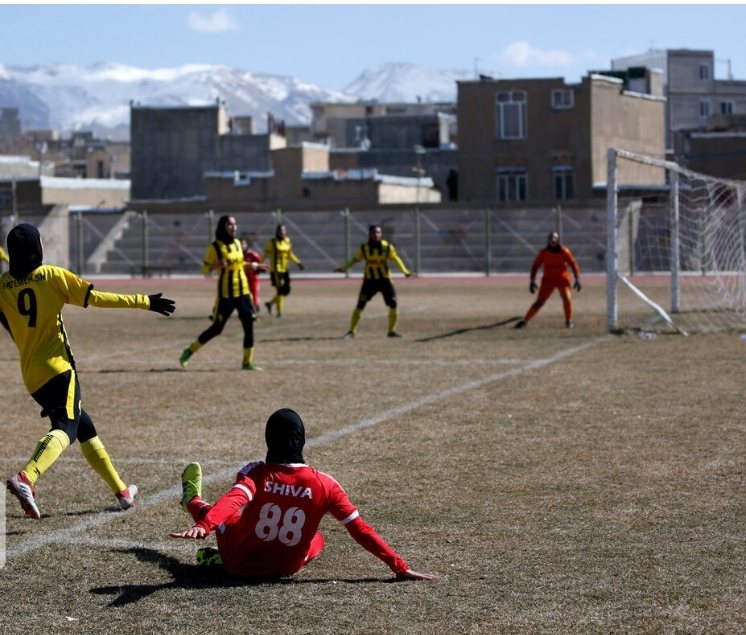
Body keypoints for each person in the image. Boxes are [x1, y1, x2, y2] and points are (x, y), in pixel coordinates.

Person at [0, 224, 176, 519]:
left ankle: (122, 491)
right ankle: (27, 477)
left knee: (85, 428)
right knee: (66, 428)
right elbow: (97, 297)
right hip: (59, 369)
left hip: (31, 375)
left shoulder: (3, 283)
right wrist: (145, 301)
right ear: (34, 246)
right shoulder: (52, 276)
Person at [170, 408, 437, 581]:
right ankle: (209, 528)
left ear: (268, 439)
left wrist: (205, 525)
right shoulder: (326, 484)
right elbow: (360, 529)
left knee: (223, 517)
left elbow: (233, 501)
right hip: (287, 566)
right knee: (316, 538)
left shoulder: (257, 473)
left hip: (238, 563)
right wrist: (399, 566)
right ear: (302, 439)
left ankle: (192, 500)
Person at [180, 216, 262, 371]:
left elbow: (239, 264)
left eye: (235, 224)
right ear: (222, 227)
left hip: (243, 292)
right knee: (217, 328)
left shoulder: (238, 243)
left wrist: (255, 265)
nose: (233, 227)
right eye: (230, 224)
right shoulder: (215, 247)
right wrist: (215, 265)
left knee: (249, 326)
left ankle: (247, 362)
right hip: (226, 295)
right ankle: (189, 351)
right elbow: (204, 269)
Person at [334, 225, 412, 338]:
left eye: (379, 232)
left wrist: (405, 271)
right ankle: (351, 331)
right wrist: (343, 269)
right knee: (360, 305)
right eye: (374, 233)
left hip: (385, 280)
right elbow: (355, 260)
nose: (376, 235)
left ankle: (391, 332)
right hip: (369, 282)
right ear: (370, 234)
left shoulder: (387, 247)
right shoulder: (364, 248)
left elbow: (396, 258)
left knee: (393, 304)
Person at [514, 231, 581, 329]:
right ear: (548, 240)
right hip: (548, 280)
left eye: (555, 238)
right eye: (551, 238)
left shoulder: (564, 251)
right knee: (539, 302)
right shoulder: (543, 253)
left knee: (567, 297)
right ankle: (525, 320)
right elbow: (535, 266)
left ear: (558, 240)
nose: (553, 240)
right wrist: (532, 280)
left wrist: (577, 278)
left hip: (562, 279)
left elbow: (573, 263)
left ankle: (569, 321)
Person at [263, 224, 303, 318]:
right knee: (280, 290)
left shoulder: (288, 241)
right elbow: (265, 254)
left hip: (285, 269)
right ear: (277, 231)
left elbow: (290, 255)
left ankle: (270, 304)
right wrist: (260, 265)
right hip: (276, 270)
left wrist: (298, 263)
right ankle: (279, 312)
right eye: (280, 230)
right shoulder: (272, 242)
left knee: (287, 290)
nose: (282, 232)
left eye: (284, 230)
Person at [240, 238, 268, 312]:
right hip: (242, 278)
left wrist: (261, 268)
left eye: (243, 244)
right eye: (240, 244)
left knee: (254, 293)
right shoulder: (237, 255)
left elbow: (261, 262)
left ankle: (254, 309)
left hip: (253, 278)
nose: (242, 246)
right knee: (244, 295)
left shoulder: (252, 254)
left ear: (246, 245)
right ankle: (252, 306)